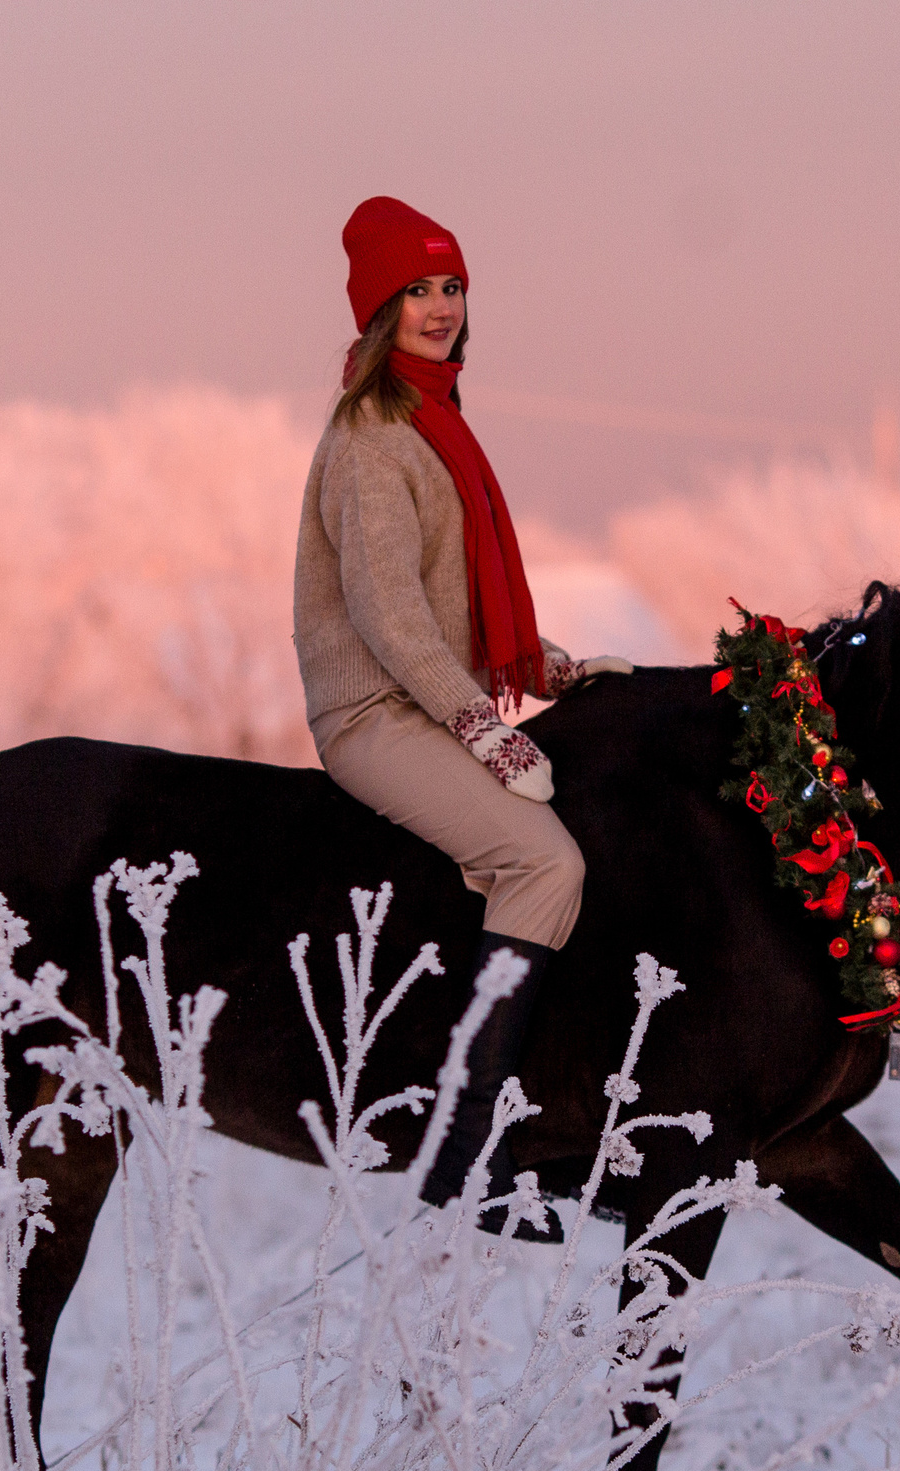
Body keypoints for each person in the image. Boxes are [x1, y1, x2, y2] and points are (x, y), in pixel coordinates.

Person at [293, 195, 630, 1235]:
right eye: (415, 291)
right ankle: (461, 1152)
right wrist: (484, 724)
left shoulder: (439, 424)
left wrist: (548, 674)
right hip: (376, 712)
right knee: (547, 865)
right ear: (377, 312)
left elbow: (453, 604)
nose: (439, 306)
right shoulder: (372, 439)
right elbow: (389, 615)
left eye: (450, 285)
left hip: (435, 700)